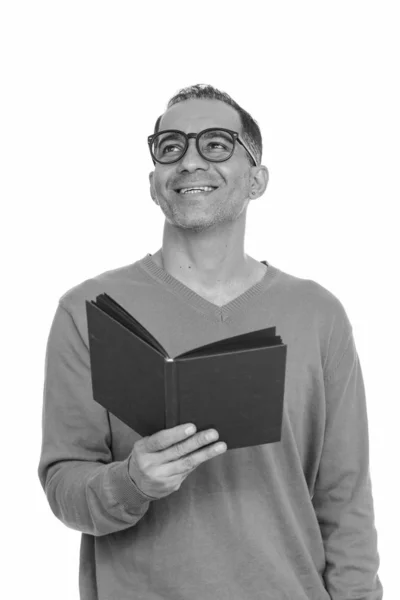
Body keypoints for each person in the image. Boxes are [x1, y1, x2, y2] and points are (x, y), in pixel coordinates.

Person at [38, 83, 383, 600]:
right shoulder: (88, 310)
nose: (189, 161)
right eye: (170, 147)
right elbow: (64, 484)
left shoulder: (317, 315)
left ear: (257, 179)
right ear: (154, 182)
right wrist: (131, 482)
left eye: (217, 144)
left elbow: (345, 501)